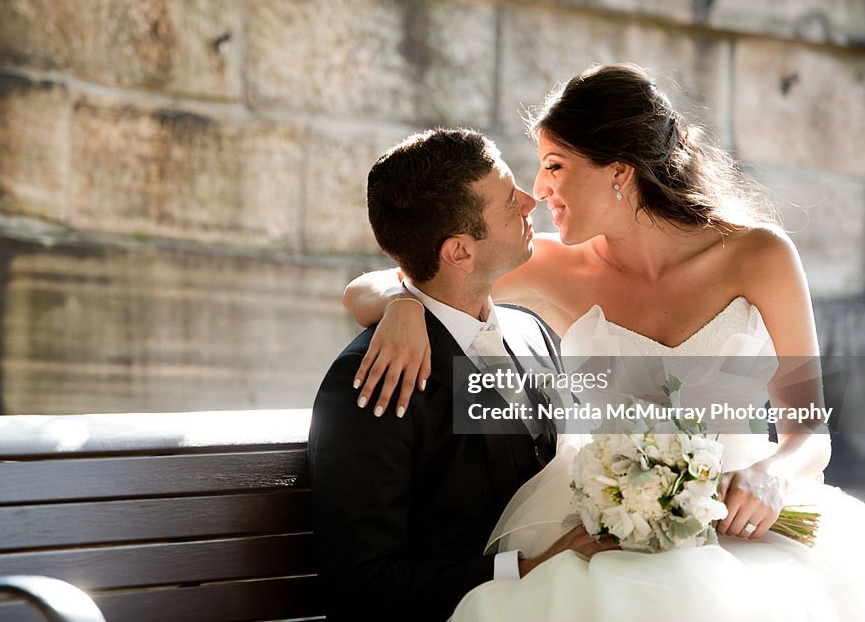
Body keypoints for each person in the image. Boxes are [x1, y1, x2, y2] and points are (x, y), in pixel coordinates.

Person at [344, 64, 865, 621]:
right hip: (611, 527)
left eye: (554, 166)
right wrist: (403, 304)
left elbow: (810, 430)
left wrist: (771, 475)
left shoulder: (760, 255)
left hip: (745, 520)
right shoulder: (547, 264)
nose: (537, 190)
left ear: (619, 171)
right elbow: (369, 286)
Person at [308, 128, 616, 622]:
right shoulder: (368, 382)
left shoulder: (532, 332)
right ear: (459, 252)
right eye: (506, 200)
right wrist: (530, 567)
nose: (528, 201)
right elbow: (361, 586)